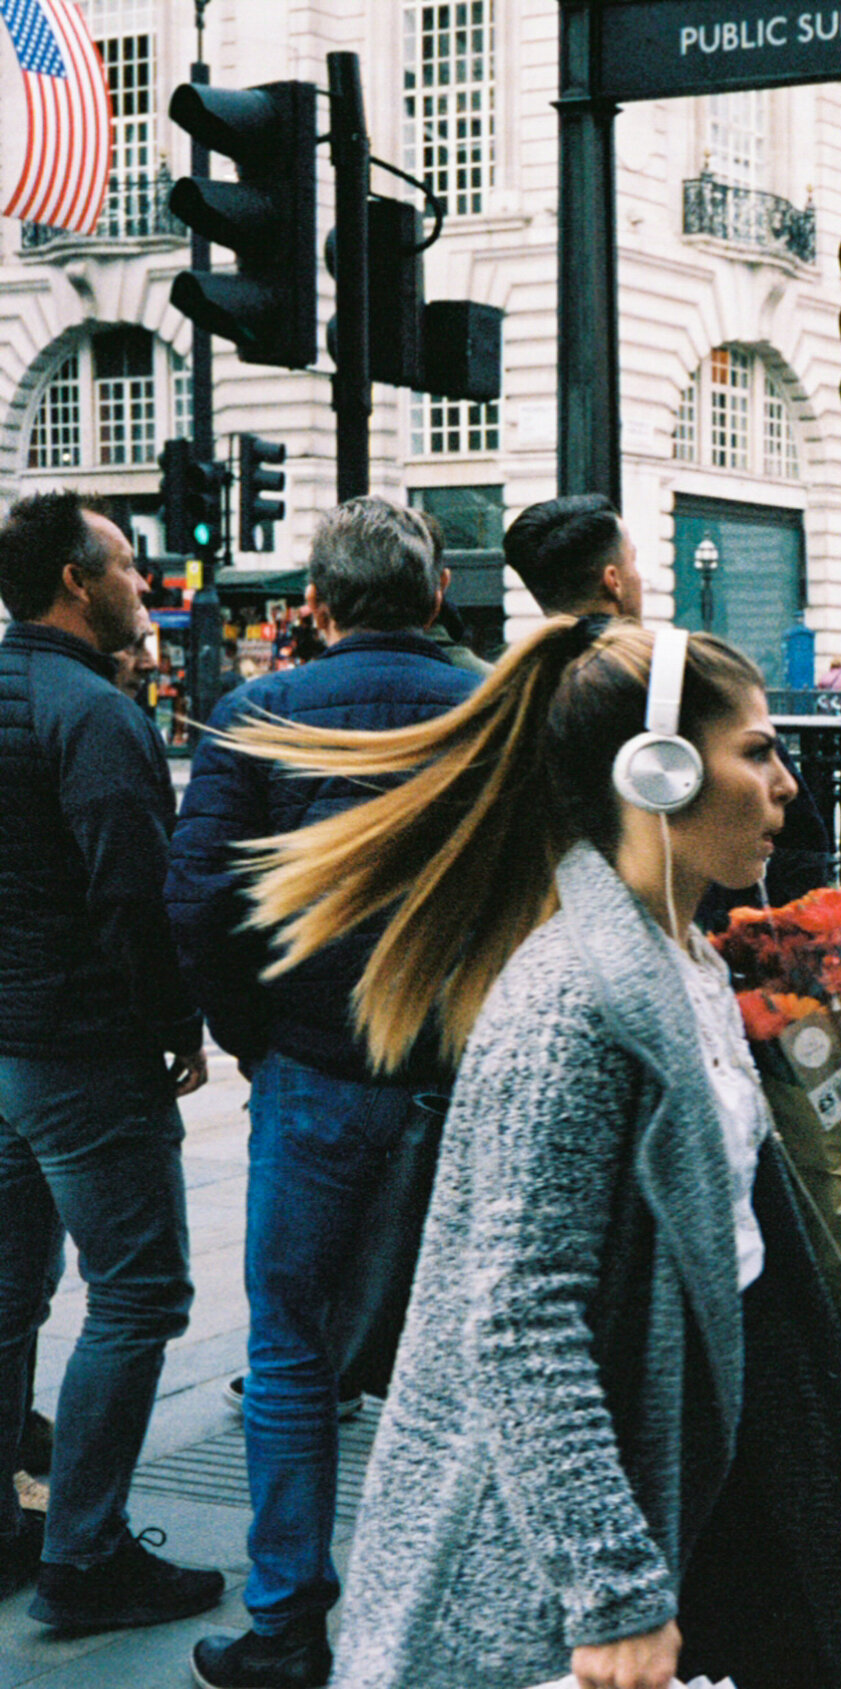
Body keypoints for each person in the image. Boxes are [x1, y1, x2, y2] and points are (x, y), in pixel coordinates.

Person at [223, 618, 841, 1689]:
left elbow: (706, 1197)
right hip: (630, 1503)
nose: (788, 783)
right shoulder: (571, 1003)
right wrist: (612, 1594)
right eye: (757, 750)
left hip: (724, 1452)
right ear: (656, 770)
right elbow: (517, 1322)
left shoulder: (685, 955)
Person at [166, 498, 483, 1689]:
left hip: (319, 1071)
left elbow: (198, 906)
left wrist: (262, 1038)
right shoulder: (494, 709)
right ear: (437, 591)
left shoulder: (258, 718)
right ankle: (445, 1613)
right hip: (467, 1076)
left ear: (320, 603)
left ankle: (289, 1621)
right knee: (470, 1351)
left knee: (294, 1350)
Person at [0, 491, 222, 1630]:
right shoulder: (90, 714)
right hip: (81, 1048)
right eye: (130, 563)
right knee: (137, 1294)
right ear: (79, 583)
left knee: (7, 1296)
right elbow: (134, 900)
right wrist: (176, 1030)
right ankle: (84, 1556)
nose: (149, 582)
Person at [502, 493, 833, 908]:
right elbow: (804, 838)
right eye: (634, 563)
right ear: (614, 580)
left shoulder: (516, 693)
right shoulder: (676, 679)